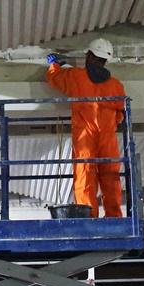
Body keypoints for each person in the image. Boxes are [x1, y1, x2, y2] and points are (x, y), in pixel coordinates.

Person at [46, 38, 126, 218]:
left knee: (84, 176)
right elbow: (121, 113)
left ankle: (88, 218)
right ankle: (114, 217)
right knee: (111, 176)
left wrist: (54, 65)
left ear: (90, 56)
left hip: (84, 137)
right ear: (105, 60)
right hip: (108, 138)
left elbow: (55, 78)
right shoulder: (116, 86)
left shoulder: (76, 76)